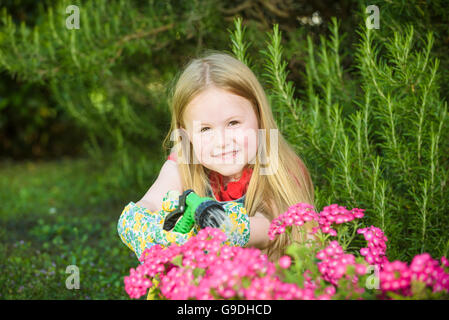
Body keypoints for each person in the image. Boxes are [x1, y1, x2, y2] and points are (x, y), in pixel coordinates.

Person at [118, 50, 316, 263]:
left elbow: (267, 228)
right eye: (205, 130)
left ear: (259, 117)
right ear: (186, 136)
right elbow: (150, 202)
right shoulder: (183, 163)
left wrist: (221, 226)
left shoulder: (277, 168)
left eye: (233, 123)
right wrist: (140, 222)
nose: (221, 141)